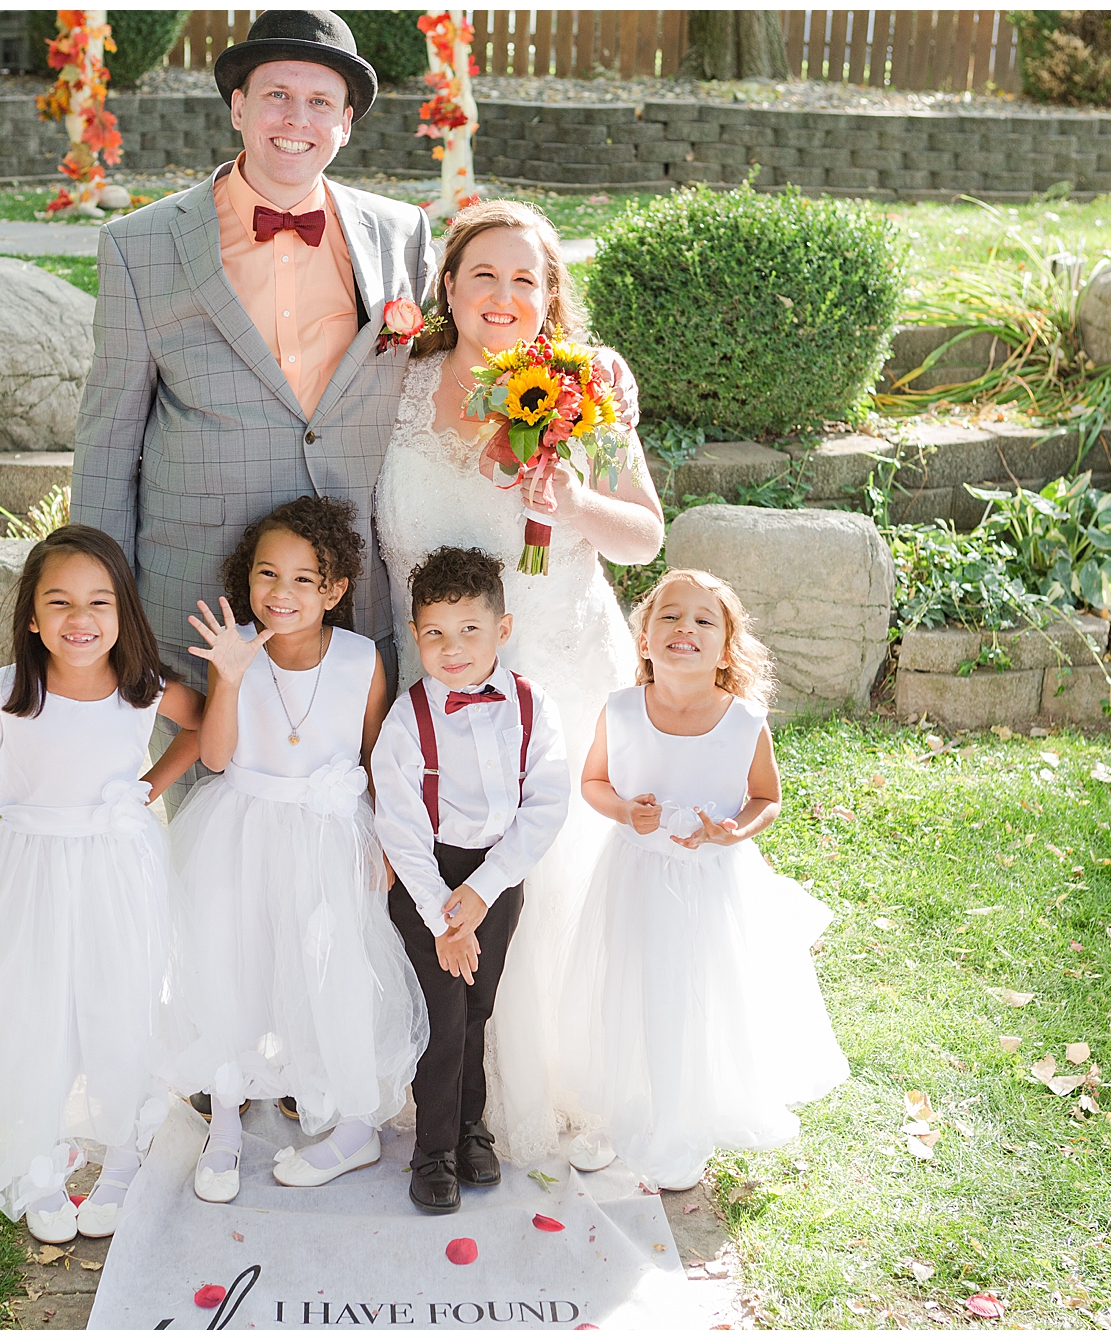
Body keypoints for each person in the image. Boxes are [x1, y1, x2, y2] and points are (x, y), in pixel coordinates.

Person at [374, 199, 665, 1165]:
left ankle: (550, 1077)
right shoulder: (397, 384)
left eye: (526, 280)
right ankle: (431, 1072)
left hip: (555, 666)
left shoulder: (589, 392)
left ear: (550, 298)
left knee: (554, 861)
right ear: (448, 286)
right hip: (435, 680)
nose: (503, 297)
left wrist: (575, 500)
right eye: (483, 276)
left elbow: (646, 535)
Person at [72, 9, 433, 712]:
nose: (296, 117)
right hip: (196, 589)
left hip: (349, 589)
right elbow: (108, 436)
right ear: (238, 107)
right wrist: (96, 599)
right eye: (277, 95)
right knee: (202, 799)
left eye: (320, 102)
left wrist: (580, 381)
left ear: (346, 124)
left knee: (347, 794)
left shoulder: (403, 233)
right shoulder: (139, 245)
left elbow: (449, 366)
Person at [0, 526, 207, 1245]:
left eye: (100, 602)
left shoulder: (141, 688)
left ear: (123, 614)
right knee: (30, 1003)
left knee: (118, 996)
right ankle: (37, 1157)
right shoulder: (15, 689)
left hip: (115, 866)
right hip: (31, 869)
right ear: (33, 617)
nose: (81, 619)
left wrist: (150, 784)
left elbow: (199, 731)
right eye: (61, 602)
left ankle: (126, 1152)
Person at [162, 496, 426, 1203]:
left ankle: (352, 1123)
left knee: (332, 971)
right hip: (242, 828)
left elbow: (375, 758)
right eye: (266, 576)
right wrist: (231, 675)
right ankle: (223, 1126)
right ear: (246, 582)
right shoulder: (238, 653)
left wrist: (385, 842)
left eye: (304, 579)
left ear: (335, 590)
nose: (282, 594)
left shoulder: (363, 659)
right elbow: (215, 757)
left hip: (331, 835)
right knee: (233, 967)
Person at [555, 569, 849, 1192]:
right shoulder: (622, 709)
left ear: (724, 650)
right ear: (642, 639)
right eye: (669, 615)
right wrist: (623, 811)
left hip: (710, 885)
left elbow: (766, 796)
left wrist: (735, 830)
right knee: (628, 985)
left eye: (703, 620)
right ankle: (618, 1109)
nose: (684, 627)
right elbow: (593, 782)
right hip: (635, 875)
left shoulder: (742, 721)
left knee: (692, 995)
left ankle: (682, 1121)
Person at [371, 547, 569, 1213]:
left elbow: (546, 805)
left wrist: (485, 892)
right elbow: (398, 826)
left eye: (469, 631)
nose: (451, 649)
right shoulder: (407, 720)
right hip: (429, 878)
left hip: (498, 877)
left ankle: (469, 1128)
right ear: (415, 633)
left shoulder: (534, 707)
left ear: (502, 631)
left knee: (479, 1006)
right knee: (443, 1015)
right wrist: (442, 918)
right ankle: (432, 1152)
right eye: (434, 634)